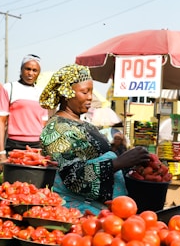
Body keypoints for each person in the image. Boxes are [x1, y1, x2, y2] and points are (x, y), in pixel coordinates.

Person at [39, 64, 150, 214]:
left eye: (91, 92)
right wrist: (118, 163)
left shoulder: (87, 125)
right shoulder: (56, 130)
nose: (90, 97)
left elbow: (99, 156)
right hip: (79, 213)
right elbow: (73, 177)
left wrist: (132, 162)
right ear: (66, 94)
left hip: (107, 208)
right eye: (84, 92)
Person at [0, 55, 48, 168]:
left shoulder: (42, 93)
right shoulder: (9, 88)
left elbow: (44, 125)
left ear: (39, 73)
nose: (30, 73)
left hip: (37, 146)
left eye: (35, 70)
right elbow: (0, 122)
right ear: (21, 69)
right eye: (27, 69)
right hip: (15, 145)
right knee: (13, 183)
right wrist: (0, 153)